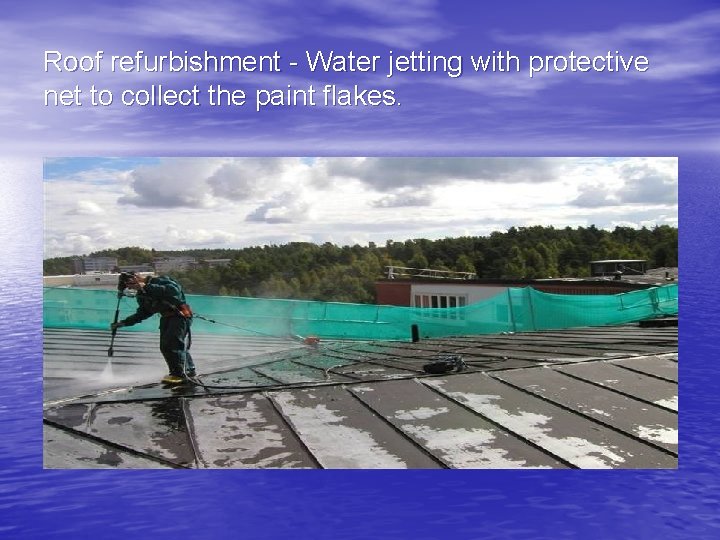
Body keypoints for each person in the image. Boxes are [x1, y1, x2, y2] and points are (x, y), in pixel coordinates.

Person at [110, 272, 196, 384]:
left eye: (131, 284)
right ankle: (184, 370)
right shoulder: (142, 295)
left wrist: (146, 286)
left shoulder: (160, 280)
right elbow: (144, 312)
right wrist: (124, 323)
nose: (131, 287)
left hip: (180, 316)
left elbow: (174, 291)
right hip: (166, 317)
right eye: (128, 286)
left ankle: (181, 373)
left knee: (173, 343)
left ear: (136, 278)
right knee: (165, 346)